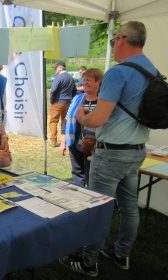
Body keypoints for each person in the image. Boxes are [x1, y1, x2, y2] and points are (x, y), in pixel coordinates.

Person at [59, 21, 155, 277]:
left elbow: (98, 118)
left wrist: (81, 118)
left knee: (99, 207)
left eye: (114, 41)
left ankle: (89, 261)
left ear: (122, 39)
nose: (113, 46)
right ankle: (121, 253)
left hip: (112, 152)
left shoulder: (117, 72)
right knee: (129, 205)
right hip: (136, 150)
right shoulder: (151, 70)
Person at [60, 68, 103, 187]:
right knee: (77, 174)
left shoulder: (103, 102)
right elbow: (67, 120)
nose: (84, 83)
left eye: (88, 80)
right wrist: (63, 142)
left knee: (91, 176)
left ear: (98, 82)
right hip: (73, 141)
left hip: (93, 145)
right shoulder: (77, 98)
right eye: (84, 80)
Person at [49, 61, 76, 147]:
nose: (55, 70)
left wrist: (52, 100)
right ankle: (66, 140)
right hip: (67, 102)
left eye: (55, 68)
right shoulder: (70, 77)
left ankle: (53, 141)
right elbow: (74, 90)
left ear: (60, 68)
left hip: (57, 102)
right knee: (65, 121)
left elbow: (53, 90)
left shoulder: (58, 77)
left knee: (53, 121)